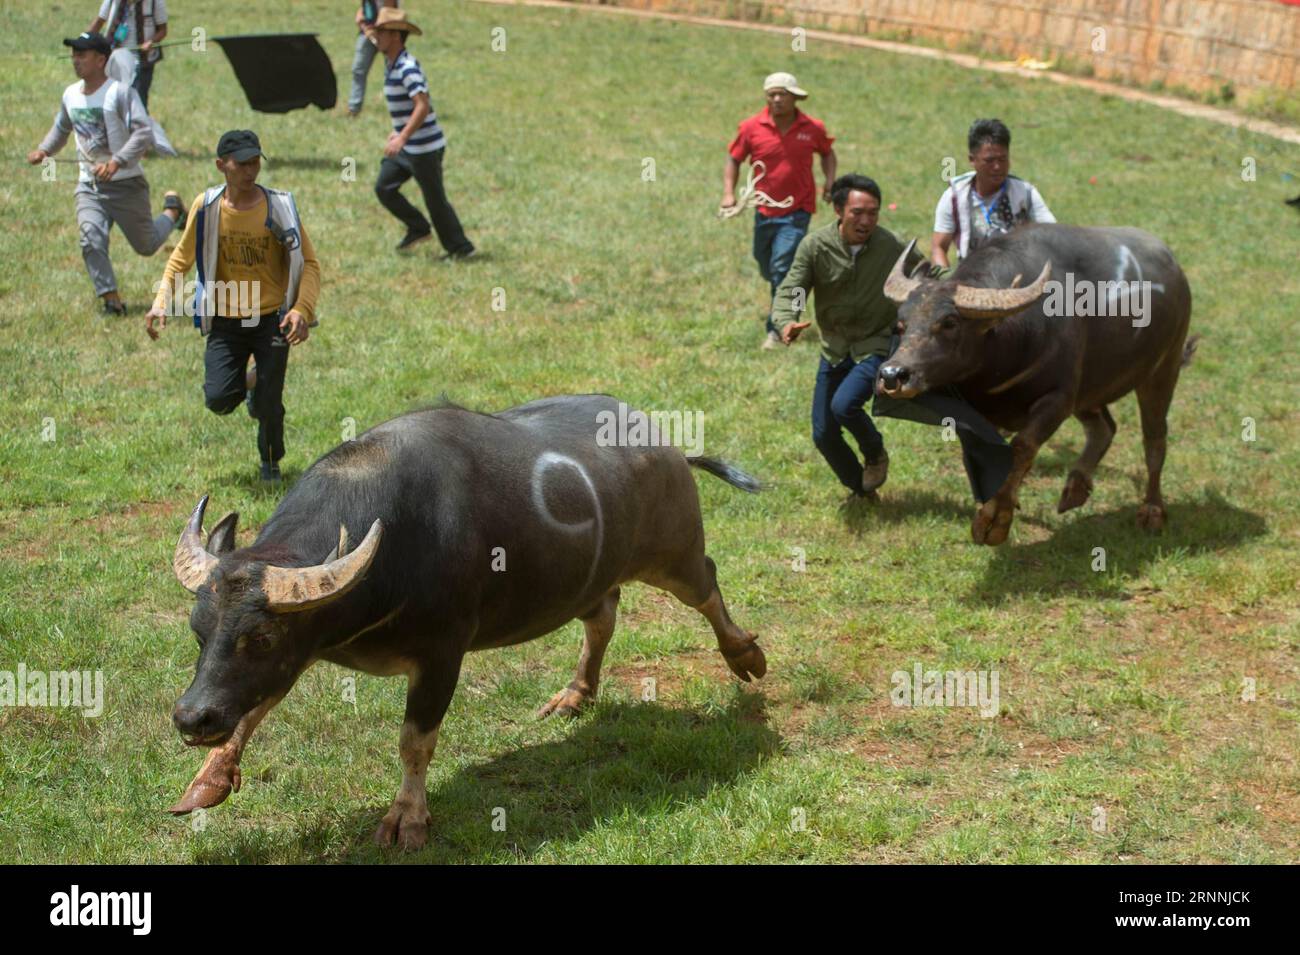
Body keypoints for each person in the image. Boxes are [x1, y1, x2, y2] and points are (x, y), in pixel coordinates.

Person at [145, 130, 320, 483]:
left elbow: (311, 264)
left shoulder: (279, 206)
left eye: (255, 162)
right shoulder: (207, 207)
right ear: (221, 165)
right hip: (225, 320)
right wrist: (161, 301)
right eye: (242, 164)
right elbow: (180, 258)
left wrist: (301, 308)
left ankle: (270, 463)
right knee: (219, 399)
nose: (250, 170)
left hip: (272, 318)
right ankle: (250, 383)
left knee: (271, 403)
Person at [771, 174, 921, 499]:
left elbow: (926, 275)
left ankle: (875, 452)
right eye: (857, 212)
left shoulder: (890, 246)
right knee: (823, 433)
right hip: (835, 349)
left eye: (873, 212)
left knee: (844, 406)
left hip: (875, 345)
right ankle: (861, 489)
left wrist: (964, 283)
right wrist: (787, 320)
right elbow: (795, 288)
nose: (866, 220)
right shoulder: (815, 246)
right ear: (839, 210)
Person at [28, 31, 184, 318]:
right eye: (74, 54)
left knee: (147, 246)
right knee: (90, 239)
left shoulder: (121, 93)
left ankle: (173, 212)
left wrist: (117, 161)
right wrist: (44, 150)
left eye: (82, 55)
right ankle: (111, 300)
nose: (76, 60)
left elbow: (143, 132)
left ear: (101, 60)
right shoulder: (70, 94)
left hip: (126, 185)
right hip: (90, 186)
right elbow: (62, 128)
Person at [723, 72, 836, 349]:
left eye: (782, 94)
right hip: (763, 209)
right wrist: (728, 193)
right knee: (764, 260)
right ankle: (786, 296)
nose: (776, 99)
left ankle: (777, 328)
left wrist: (830, 182)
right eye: (771, 94)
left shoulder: (812, 127)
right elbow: (734, 159)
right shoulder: (751, 127)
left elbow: (828, 153)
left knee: (782, 266)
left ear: (795, 97)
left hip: (798, 209)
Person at [370, 8, 475, 259]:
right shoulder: (391, 63)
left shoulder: (407, 67)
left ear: (396, 34)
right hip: (407, 147)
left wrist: (403, 136)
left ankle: (461, 248)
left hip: (425, 149)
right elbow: (406, 107)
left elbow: (422, 104)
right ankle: (418, 228)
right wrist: (397, 132)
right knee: (384, 187)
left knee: (435, 200)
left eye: (381, 32)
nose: (377, 38)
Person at [931, 118, 1055, 269]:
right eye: (989, 161)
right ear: (972, 160)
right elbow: (938, 247)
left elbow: (1052, 235)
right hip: (972, 279)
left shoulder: (1025, 193)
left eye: (1003, 159)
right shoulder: (953, 198)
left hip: (1016, 278)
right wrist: (944, 283)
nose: (997, 167)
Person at [88, 0, 167, 110]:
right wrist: (83, 43)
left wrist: (151, 42)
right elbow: (99, 22)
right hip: (114, 59)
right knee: (111, 101)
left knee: (138, 102)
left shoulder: (155, 2)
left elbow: (162, 30)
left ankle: (138, 125)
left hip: (142, 60)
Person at [347, 1, 399, 117]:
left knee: (394, 72)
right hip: (367, 32)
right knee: (358, 70)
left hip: (388, 32)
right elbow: (365, 7)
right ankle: (353, 109)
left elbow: (389, 10)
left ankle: (398, 106)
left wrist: (377, 29)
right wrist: (361, 19)